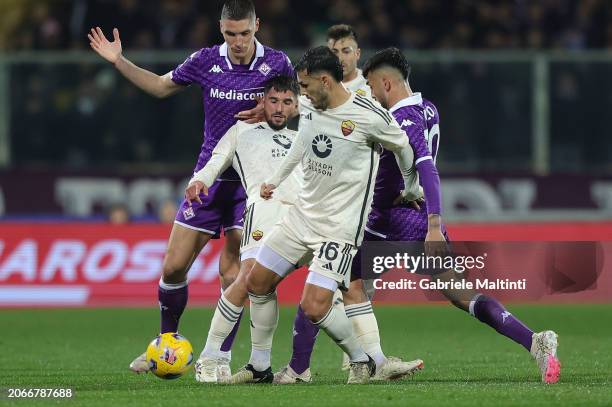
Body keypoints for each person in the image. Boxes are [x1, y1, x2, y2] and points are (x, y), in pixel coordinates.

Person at [87, 0, 294, 374]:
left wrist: (271, 109)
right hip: (207, 179)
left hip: (252, 183)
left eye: (245, 33)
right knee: (173, 267)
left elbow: (302, 104)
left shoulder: (278, 63)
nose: (238, 41)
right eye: (230, 34)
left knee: (234, 275)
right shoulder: (205, 61)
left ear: (257, 26)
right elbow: (161, 87)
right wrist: (120, 61)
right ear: (221, 29)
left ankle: (219, 359)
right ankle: (166, 344)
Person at [228, 46, 422, 385]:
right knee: (256, 281)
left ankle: (366, 359)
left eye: (304, 86)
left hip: (339, 229)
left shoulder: (368, 114)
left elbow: (403, 145)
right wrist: (274, 180)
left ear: (324, 81)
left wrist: (412, 186)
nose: (300, 94)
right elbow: (302, 145)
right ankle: (260, 366)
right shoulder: (311, 105)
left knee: (315, 306)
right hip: (301, 218)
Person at [366, 48, 560, 384]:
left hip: (393, 218)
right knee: (457, 292)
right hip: (408, 215)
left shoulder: (402, 119)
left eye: (370, 86)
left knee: (337, 283)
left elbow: (426, 167)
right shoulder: (428, 109)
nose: (369, 93)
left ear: (385, 83)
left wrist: (435, 224)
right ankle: (534, 341)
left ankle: (331, 365)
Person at [184, 75, 302, 382]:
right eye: (273, 100)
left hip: (305, 216)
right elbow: (217, 160)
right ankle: (217, 359)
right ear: (262, 101)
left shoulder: (308, 129)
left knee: (334, 286)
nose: (279, 108)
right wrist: (199, 181)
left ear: (296, 104)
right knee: (252, 281)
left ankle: (365, 357)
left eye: (286, 102)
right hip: (262, 213)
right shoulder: (242, 131)